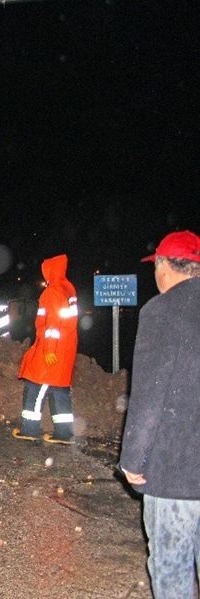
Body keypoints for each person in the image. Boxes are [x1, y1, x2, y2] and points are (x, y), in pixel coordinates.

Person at [118, 229, 200, 597]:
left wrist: (133, 459)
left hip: (176, 473)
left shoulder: (161, 312)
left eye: (157, 266)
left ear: (166, 266)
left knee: (172, 569)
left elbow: (148, 396)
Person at [13, 254, 79, 444]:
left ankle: (30, 429)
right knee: (59, 388)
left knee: (36, 385)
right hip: (66, 348)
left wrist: (49, 349)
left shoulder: (52, 292)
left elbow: (51, 325)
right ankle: (64, 433)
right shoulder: (69, 290)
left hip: (52, 350)